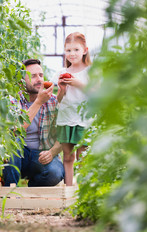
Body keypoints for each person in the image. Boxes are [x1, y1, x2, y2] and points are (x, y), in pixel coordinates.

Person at [3, 59, 64, 187]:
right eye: (33, 76)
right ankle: (10, 191)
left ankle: (32, 188)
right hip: (19, 157)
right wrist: (38, 103)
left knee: (56, 173)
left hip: (41, 156)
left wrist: (52, 152)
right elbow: (16, 131)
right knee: (13, 141)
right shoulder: (13, 101)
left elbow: (63, 135)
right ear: (21, 80)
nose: (39, 79)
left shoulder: (53, 101)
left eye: (41, 75)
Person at [55, 32, 92, 186]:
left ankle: (83, 190)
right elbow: (58, 99)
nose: (72, 54)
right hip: (66, 116)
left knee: (82, 155)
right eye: (68, 50)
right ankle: (68, 189)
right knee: (68, 156)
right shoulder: (62, 72)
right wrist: (62, 90)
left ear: (85, 50)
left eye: (76, 50)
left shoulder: (91, 72)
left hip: (84, 118)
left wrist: (78, 84)